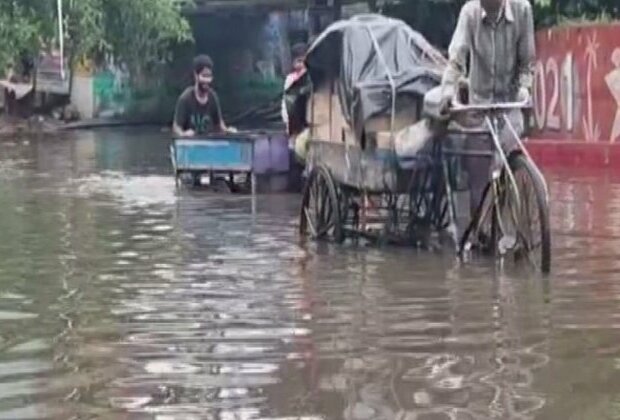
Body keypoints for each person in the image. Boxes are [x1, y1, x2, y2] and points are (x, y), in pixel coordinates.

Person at [440, 0, 535, 218]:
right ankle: (480, 233)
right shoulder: (469, 13)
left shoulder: (523, 11)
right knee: (478, 184)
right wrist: (447, 92)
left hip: (508, 106)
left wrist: (525, 88)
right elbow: (456, 60)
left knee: (510, 164)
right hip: (479, 109)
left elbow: (527, 63)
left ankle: (508, 216)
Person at [173, 54, 234, 137]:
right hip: (190, 143)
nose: (207, 80)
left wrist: (228, 131)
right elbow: (176, 127)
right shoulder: (185, 98)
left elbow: (219, 124)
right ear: (196, 75)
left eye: (209, 76)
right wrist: (183, 134)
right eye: (204, 76)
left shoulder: (213, 96)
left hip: (208, 142)